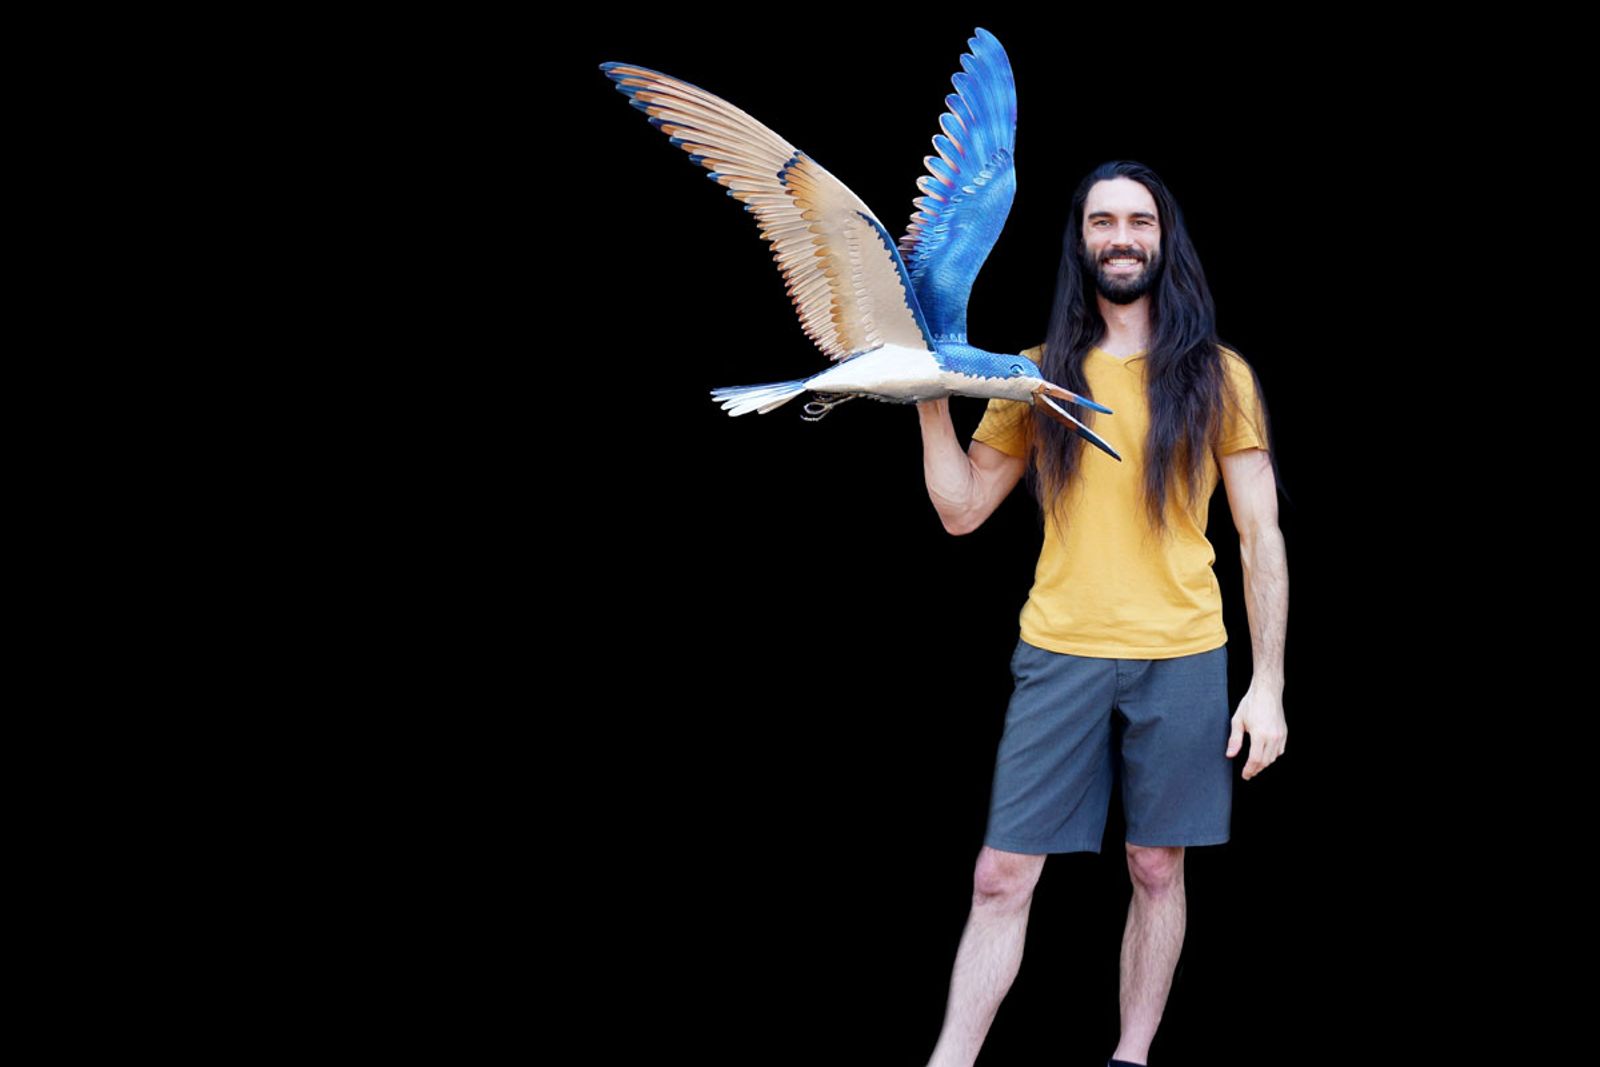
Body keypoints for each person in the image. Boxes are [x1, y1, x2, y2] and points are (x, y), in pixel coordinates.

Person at [913, 160, 1289, 1067]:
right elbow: (961, 509)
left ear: (1164, 239)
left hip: (1184, 652)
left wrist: (1269, 684)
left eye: (1139, 221)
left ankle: (1132, 1056)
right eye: (1102, 222)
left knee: (1157, 867)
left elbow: (1260, 534)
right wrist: (925, 388)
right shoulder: (1032, 375)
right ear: (1081, 243)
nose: (1121, 236)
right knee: (1000, 875)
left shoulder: (1221, 375)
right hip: (1060, 650)